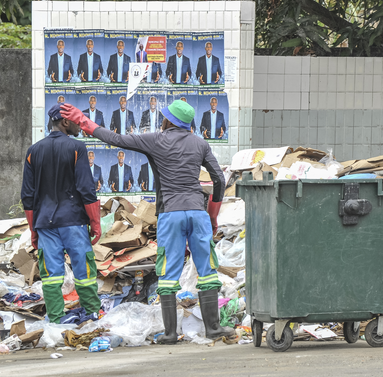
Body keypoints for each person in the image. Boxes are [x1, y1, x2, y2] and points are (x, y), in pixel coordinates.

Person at [60, 99, 236, 343]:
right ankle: (214, 328)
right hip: (197, 212)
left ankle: (171, 333)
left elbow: (114, 139)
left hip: (170, 214)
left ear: (167, 120)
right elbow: (218, 179)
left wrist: (81, 119)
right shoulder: (200, 143)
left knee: (168, 272)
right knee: (206, 271)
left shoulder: (155, 139)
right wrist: (212, 215)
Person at [21, 103, 103, 324]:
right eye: (77, 121)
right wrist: (95, 222)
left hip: (44, 223)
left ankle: (56, 318)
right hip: (74, 221)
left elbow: (27, 197)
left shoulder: (33, 151)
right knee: (84, 270)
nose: (80, 125)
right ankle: (92, 313)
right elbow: (86, 189)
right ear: (66, 122)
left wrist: (33, 229)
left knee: (51, 275)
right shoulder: (77, 148)